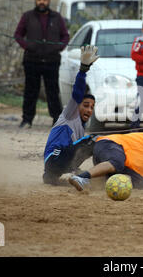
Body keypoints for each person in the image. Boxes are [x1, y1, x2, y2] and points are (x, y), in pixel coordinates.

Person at [42, 46, 99, 186]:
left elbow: (76, 151)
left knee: (89, 143)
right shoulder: (69, 114)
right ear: (76, 105)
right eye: (85, 105)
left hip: (58, 166)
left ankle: (52, 177)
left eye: (92, 107)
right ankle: (98, 174)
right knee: (95, 140)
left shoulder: (80, 127)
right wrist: (83, 69)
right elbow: (77, 92)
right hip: (54, 159)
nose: (89, 109)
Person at [14, 0, 70, 128]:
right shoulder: (27, 16)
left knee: (52, 91)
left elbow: (65, 36)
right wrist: (27, 46)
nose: (41, 1)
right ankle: (27, 120)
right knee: (30, 91)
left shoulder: (57, 18)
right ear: (35, 0)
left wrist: (59, 47)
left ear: (49, 0)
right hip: (32, 60)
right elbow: (18, 34)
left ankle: (57, 119)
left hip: (52, 61)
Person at [68, 132, 143, 191]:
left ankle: (86, 181)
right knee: (117, 162)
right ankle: (82, 177)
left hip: (107, 161)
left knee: (140, 183)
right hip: (108, 145)